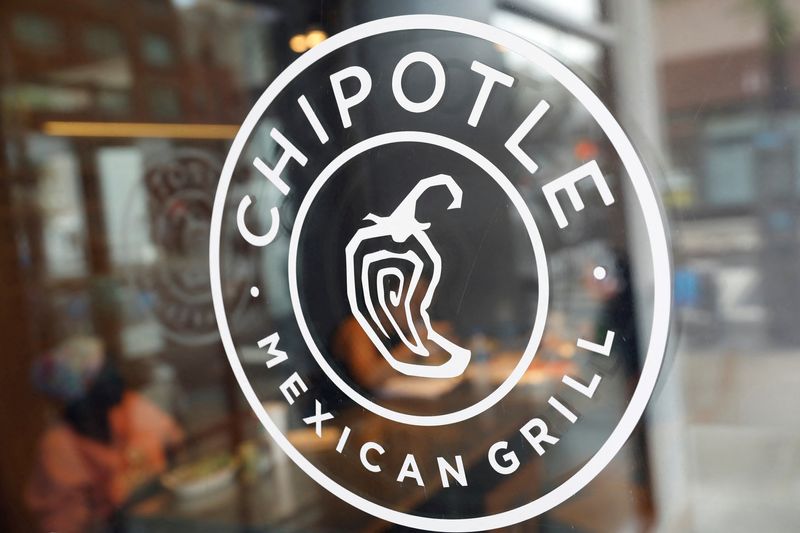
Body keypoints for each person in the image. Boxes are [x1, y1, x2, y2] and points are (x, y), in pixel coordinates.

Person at [25, 336, 184, 533]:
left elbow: (173, 441)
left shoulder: (127, 408)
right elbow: (65, 523)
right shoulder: (59, 446)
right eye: (105, 373)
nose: (118, 376)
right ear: (81, 391)